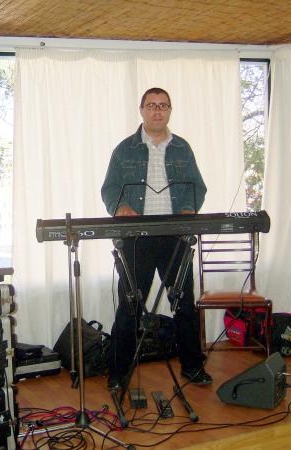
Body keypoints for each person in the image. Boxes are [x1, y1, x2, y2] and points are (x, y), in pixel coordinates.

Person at [101, 87, 211, 390]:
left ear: (170, 110)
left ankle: (192, 367)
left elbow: (198, 187)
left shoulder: (183, 148)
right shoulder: (124, 149)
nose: (157, 110)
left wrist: (189, 207)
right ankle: (119, 373)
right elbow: (109, 189)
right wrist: (120, 207)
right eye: (151, 105)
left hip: (175, 236)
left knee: (184, 304)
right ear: (142, 110)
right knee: (130, 306)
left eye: (163, 105)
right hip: (137, 237)